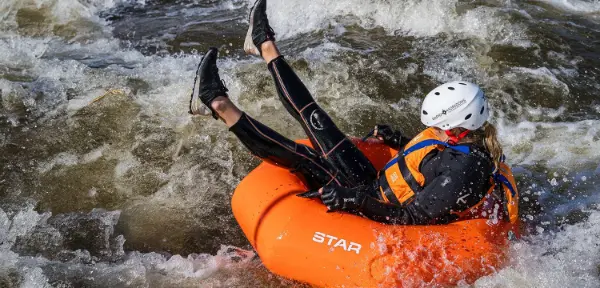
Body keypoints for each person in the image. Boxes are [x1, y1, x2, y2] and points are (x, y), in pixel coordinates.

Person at [188, 0, 518, 225]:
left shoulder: (467, 170)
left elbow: (410, 218)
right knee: (317, 119)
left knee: (304, 158)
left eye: (437, 125)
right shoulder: (461, 138)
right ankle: (264, 44)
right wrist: (399, 141)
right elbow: (429, 166)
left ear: (457, 125)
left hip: (375, 211)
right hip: (373, 185)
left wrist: (352, 201)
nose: (434, 130)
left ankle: (218, 104)